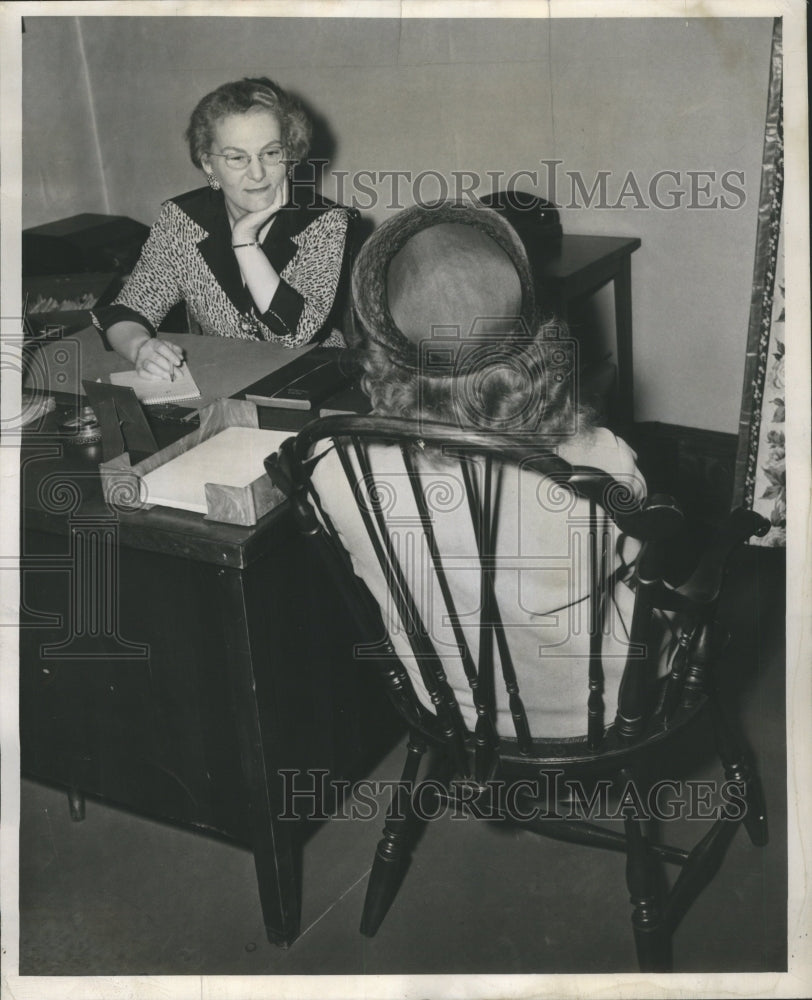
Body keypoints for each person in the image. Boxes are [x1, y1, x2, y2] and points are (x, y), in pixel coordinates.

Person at [309, 200, 670, 739]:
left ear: (385, 347)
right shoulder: (602, 458)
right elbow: (645, 569)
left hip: (451, 707)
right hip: (604, 707)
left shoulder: (335, 469)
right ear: (534, 337)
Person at [91, 77, 351, 380]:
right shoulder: (182, 221)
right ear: (209, 165)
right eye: (237, 158)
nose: (257, 173)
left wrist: (244, 240)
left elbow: (295, 333)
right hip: (227, 377)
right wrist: (140, 348)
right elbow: (128, 310)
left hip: (317, 376)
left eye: (270, 153)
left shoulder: (325, 222)